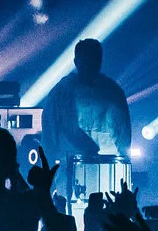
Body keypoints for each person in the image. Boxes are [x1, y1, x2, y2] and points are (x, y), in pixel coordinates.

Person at [48, 36, 132, 199]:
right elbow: (59, 129)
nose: (92, 64)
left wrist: (122, 162)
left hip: (106, 167)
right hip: (71, 165)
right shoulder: (64, 90)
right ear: (76, 61)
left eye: (95, 59)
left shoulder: (112, 90)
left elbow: (123, 132)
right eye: (87, 59)